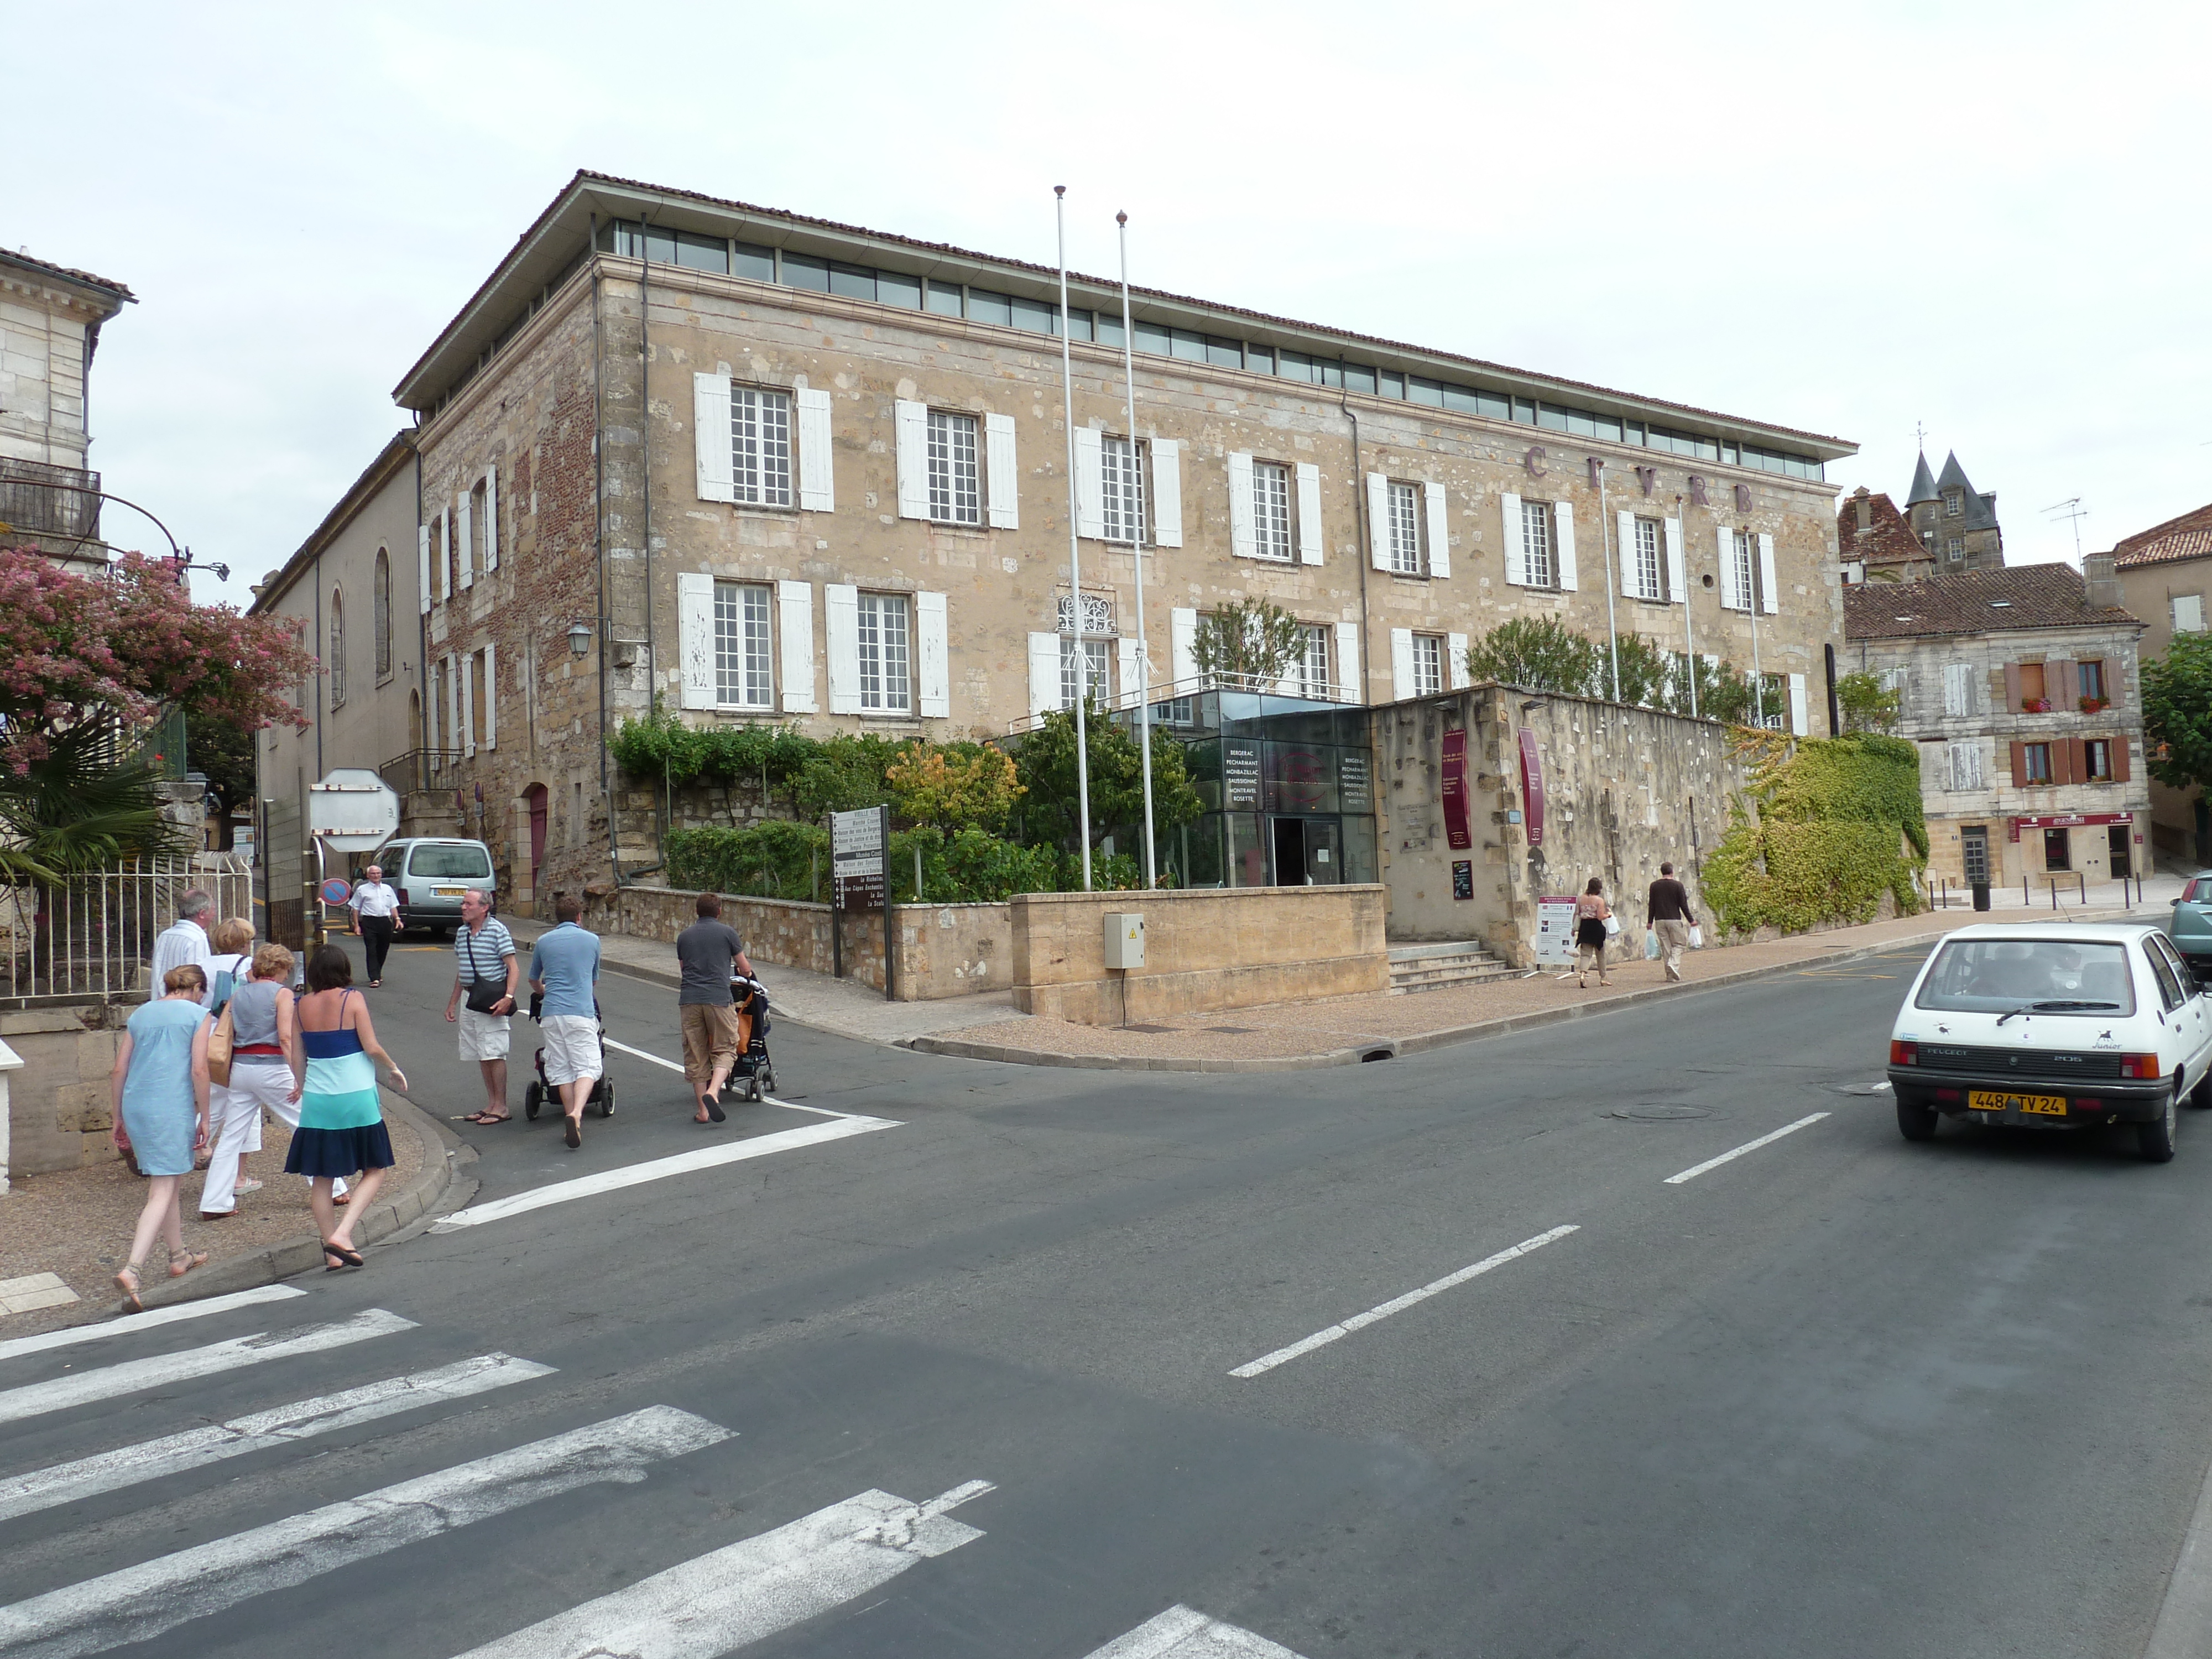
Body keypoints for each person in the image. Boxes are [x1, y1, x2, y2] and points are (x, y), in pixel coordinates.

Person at [290, 943, 408, 1269]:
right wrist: (393, 1067)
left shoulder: (299, 1006)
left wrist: (299, 1085)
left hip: (318, 1096)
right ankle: (344, 1233)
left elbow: (297, 1056)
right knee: (376, 1166)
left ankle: (332, 1251)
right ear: (344, 969)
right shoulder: (352, 999)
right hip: (355, 1091)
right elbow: (370, 1046)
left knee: (322, 1175)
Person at [109, 963, 214, 1310]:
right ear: (197, 987)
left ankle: (179, 1255)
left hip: (137, 1102)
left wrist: (117, 1115)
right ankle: (133, 1268)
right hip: (171, 1105)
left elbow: (119, 1068)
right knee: (163, 1188)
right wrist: (206, 1116)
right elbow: (200, 1068)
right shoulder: (198, 1015)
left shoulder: (141, 1014)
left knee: (167, 1178)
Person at [528, 895, 603, 1150]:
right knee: (589, 1067)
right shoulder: (592, 941)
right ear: (579, 917)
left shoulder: (544, 941)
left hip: (551, 1013)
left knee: (560, 1069)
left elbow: (533, 979)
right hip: (580, 1011)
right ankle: (577, 1114)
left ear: (556, 918)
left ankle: (572, 1118)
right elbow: (592, 980)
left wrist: (543, 990)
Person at [675, 892, 755, 1124]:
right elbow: (744, 967)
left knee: (696, 1053)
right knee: (726, 1048)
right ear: (719, 911)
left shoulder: (684, 937)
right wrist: (747, 975)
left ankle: (703, 1112)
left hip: (689, 1000)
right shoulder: (728, 933)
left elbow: (683, 969)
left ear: (697, 912)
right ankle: (714, 1092)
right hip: (718, 999)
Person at [444, 889, 519, 1125]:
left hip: (491, 1001)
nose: (463, 907)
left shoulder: (497, 931)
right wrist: (453, 1002)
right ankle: (491, 1104)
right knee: (481, 1053)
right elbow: (463, 970)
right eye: (463, 904)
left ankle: (502, 1107)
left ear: (484, 908)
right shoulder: (463, 933)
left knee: (494, 1052)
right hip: (470, 998)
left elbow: (514, 968)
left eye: (468, 904)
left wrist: (508, 997)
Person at [149, 888, 215, 1005]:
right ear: (202, 914)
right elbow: (197, 980)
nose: (214, 915)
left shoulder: (165, 935)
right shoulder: (197, 939)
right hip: (184, 1008)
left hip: (160, 1003)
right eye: (212, 910)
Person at [348, 863, 402, 987]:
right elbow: (355, 908)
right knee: (371, 949)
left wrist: (398, 919)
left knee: (383, 949)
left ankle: (378, 972)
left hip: (385, 921)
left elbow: (393, 905)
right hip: (369, 922)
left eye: (378, 873)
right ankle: (374, 978)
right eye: (373, 874)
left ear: (381, 875)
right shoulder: (362, 890)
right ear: (368, 875)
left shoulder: (388, 889)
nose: (376, 876)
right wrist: (357, 925)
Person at [1647, 862, 1699, 985]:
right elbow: (1683, 905)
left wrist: (1650, 921)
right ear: (1672, 872)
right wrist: (1691, 920)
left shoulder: (1654, 886)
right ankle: (1673, 964)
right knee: (1679, 944)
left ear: (1662, 872)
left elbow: (1652, 905)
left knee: (1666, 947)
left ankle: (1670, 975)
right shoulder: (1678, 886)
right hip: (1674, 919)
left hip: (1659, 920)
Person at [1573, 877, 1614, 989]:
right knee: (1600, 955)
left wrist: (1573, 929)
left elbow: (1577, 914)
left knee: (1585, 954)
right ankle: (1603, 978)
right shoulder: (1599, 901)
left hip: (1584, 927)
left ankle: (1582, 975)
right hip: (1596, 928)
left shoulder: (1581, 899)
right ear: (1598, 888)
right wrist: (1609, 915)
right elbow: (1600, 917)